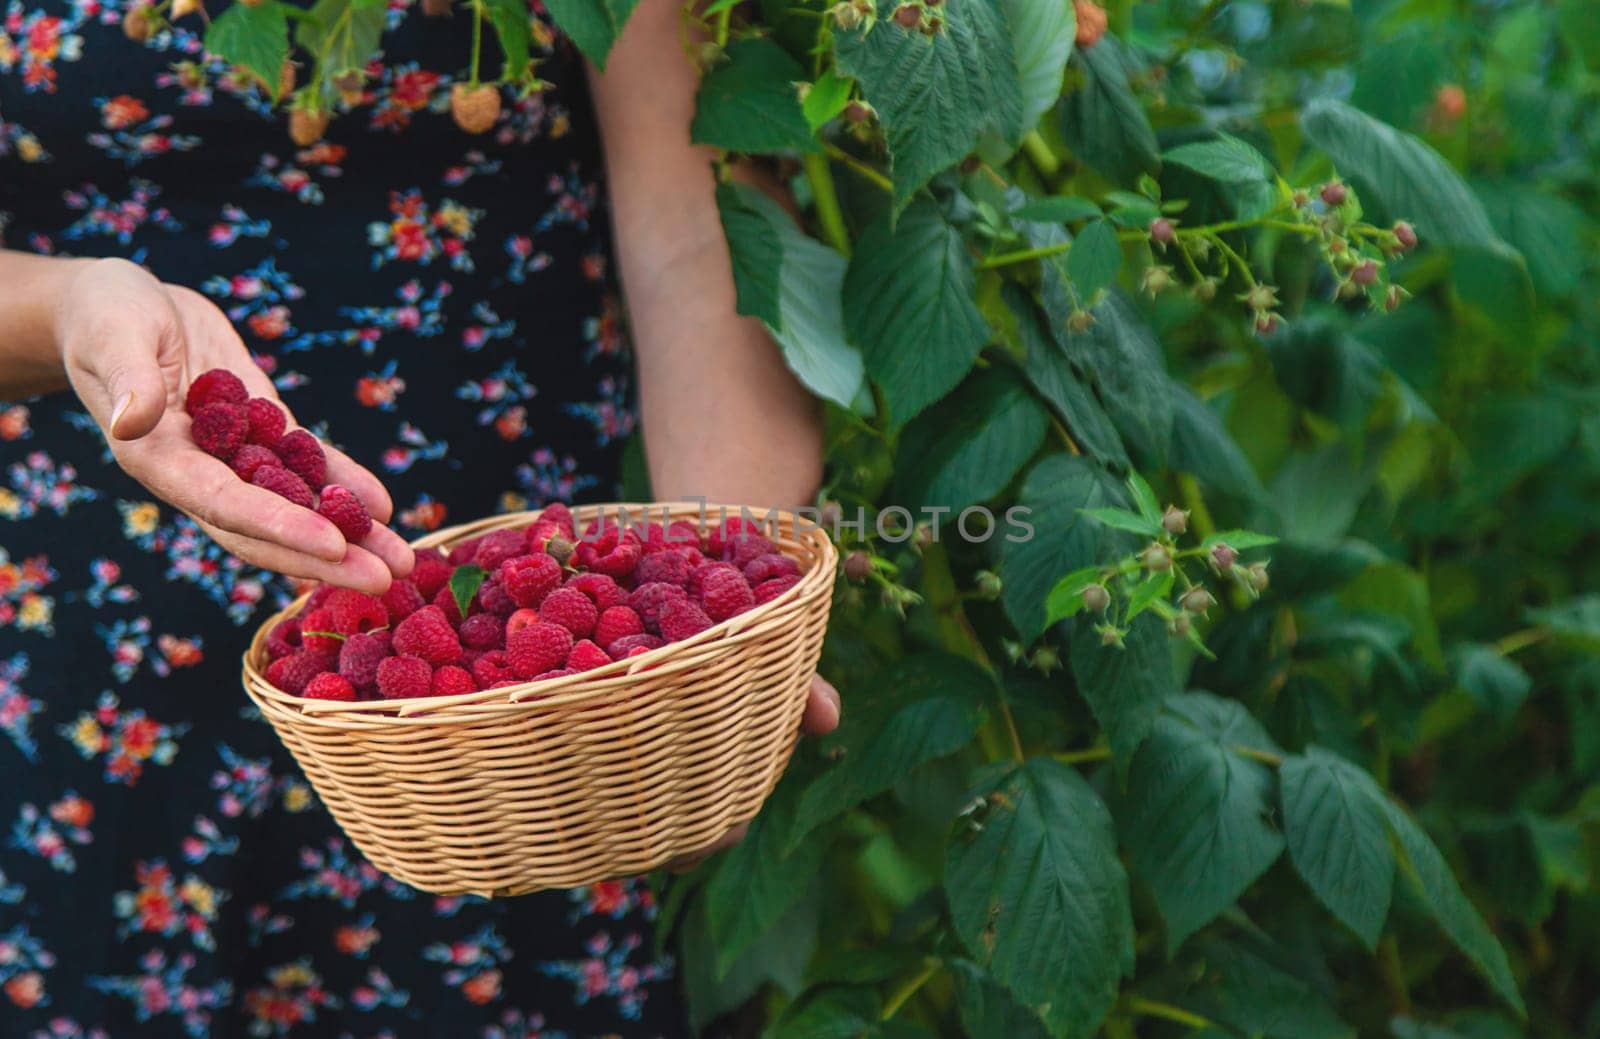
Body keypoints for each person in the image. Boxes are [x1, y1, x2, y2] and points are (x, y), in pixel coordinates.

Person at [0, 0, 840, 1030]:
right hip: (96, 641)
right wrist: (71, 307)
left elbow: (691, 227)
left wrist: (703, 610)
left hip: (528, 685)